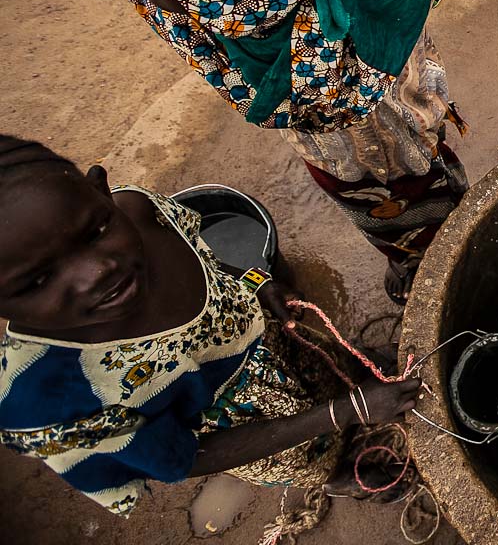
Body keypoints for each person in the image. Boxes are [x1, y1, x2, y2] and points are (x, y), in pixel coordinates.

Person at [76, 0, 470, 303]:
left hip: (412, 127)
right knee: (377, 215)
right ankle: (408, 258)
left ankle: (443, 248)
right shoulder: (186, 14)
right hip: (334, 160)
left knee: (436, 195)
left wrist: (409, 10)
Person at [0, 135, 422, 516]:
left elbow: (205, 260)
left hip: (277, 341)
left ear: (100, 190)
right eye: (37, 281)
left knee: (335, 367)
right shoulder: (48, 398)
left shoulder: (141, 211)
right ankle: (342, 474)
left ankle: (358, 386)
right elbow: (186, 458)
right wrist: (345, 412)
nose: (96, 273)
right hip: (252, 432)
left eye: (95, 232)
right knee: (312, 460)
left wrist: (257, 284)